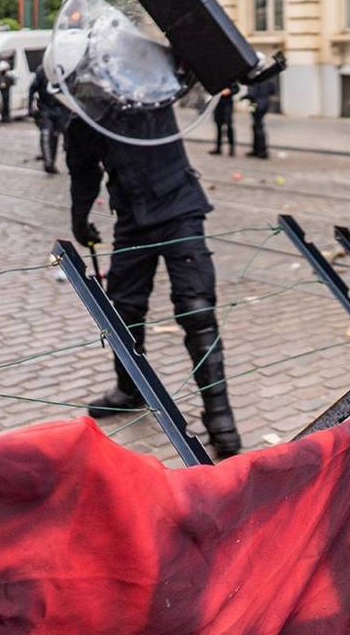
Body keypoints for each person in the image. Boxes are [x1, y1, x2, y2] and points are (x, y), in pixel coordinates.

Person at [66, 107, 242, 459]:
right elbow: (83, 172)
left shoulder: (153, 83)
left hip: (180, 208)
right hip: (132, 218)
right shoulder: (83, 117)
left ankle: (221, 419)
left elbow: (201, 67)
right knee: (124, 308)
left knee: (197, 311)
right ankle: (129, 388)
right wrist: (79, 219)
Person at [28, 62, 67, 174]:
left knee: (55, 134)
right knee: (46, 133)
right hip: (46, 107)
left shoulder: (63, 69)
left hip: (60, 108)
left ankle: (50, 161)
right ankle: (48, 162)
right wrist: (30, 107)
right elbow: (33, 88)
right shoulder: (42, 70)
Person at [243, 69, 276, 159]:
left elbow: (252, 93)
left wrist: (244, 97)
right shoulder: (267, 77)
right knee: (257, 126)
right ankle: (258, 149)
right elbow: (272, 90)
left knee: (258, 127)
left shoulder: (254, 77)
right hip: (265, 104)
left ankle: (261, 151)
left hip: (256, 104)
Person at [210, 88, 235, 157]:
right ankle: (218, 148)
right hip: (217, 104)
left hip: (227, 103)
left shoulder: (230, 79)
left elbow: (236, 88)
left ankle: (231, 148)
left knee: (229, 125)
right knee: (218, 126)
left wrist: (230, 91)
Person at [0, 56, 16, 123]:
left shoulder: (8, 75)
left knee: (6, 105)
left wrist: (7, 83)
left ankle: (6, 117)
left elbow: (13, 82)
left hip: (6, 93)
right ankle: (3, 117)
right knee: (1, 105)